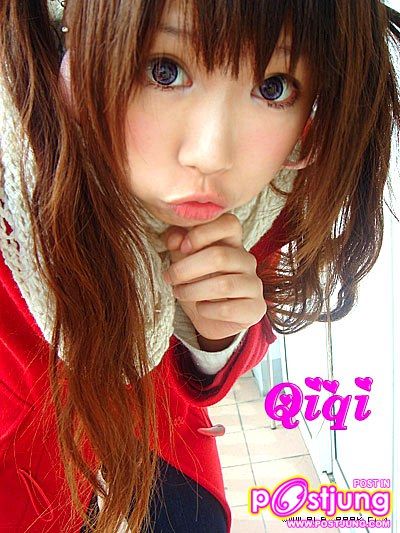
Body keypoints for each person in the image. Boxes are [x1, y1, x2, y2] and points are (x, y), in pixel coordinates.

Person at [0, 0, 399, 531]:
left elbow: (240, 331)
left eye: (273, 87)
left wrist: (217, 335)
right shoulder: (15, 201)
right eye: (164, 70)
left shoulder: (267, 198)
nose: (211, 155)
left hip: (167, 453)